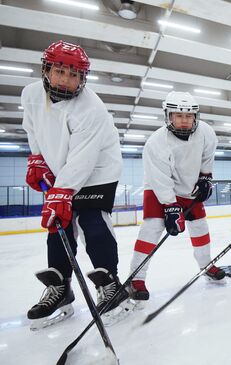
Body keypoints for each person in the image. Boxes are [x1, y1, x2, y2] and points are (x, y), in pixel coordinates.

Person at [22, 41, 128, 329]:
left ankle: (110, 283)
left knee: (92, 220)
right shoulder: (30, 93)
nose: (66, 80)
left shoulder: (91, 108)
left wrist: (62, 191)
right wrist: (37, 159)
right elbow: (31, 127)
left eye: (74, 75)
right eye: (59, 71)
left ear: (83, 78)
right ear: (46, 70)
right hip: (61, 167)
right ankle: (61, 286)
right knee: (59, 223)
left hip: (98, 170)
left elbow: (84, 158)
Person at [128, 91, 223, 302]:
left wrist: (206, 177)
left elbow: (208, 156)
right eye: (178, 115)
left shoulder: (206, 132)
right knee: (152, 228)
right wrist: (171, 206)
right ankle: (136, 278)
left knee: (200, 226)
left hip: (189, 187)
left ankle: (206, 265)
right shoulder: (156, 143)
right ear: (168, 116)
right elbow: (160, 178)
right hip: (158, 188)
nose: (184, 120)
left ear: (195, 117)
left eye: (188, 116)